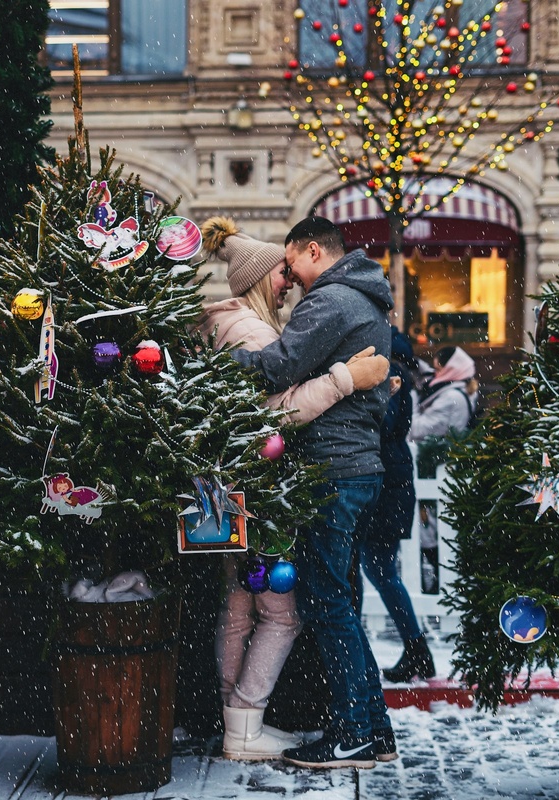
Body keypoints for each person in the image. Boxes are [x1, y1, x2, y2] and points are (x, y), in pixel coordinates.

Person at [198, 217, 389, 761]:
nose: (290, 279)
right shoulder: (365, 297)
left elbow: (277, 370)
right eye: (279, 272)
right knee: (335, 602)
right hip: (353, 465)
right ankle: (372, 730)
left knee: (326, 604)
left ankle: (355, 733)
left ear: (312, 250)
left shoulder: (330, 301)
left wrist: (210, 365)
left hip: (334, 465)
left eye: (291, 264)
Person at [356, 329, 436, 684]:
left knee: (379, 570)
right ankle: (417, 650)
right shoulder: (397, 372)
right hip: (393, 479)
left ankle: (417, 649)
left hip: (387, 483)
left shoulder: (391, 376)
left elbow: (383, 423)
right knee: (378, 570)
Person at [409, 345, 479, 442]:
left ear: (450, 370)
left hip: (433, 452)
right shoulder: (463, 388)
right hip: (450, 450)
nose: (435, 374)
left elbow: (417, 430)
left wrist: (411, 395)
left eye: (438, 369)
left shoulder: (451, 397)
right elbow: (431, 374)